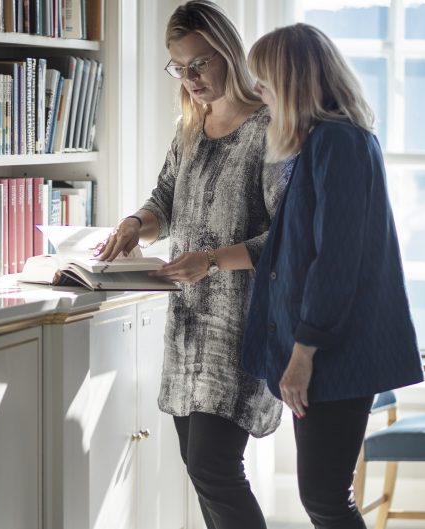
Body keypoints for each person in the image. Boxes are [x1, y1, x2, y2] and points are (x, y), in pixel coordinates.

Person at [95, 2, 285, 528]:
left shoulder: (272, 130)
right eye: (179, 66)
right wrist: (137, 223)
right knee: (199, 467)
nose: (190, 77)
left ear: (229, 52)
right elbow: (165, 201)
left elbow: (288, 237)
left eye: (200, 62)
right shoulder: (192, 127)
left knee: (214, 467)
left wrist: (212, 261)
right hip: (187, 327)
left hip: (242, 326)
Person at [242, 23, 425, 529]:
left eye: (265, 81)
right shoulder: (324, 144)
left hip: (331, 354)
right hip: (326, 352)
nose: (259, 93)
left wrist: (303, 353)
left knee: (324, 496)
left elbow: (336, 261)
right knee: (323, 494)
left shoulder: (338, 144)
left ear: (292, 82)